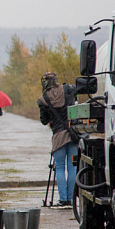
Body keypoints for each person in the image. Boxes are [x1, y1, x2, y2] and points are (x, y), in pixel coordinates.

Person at [38, 71, 80, 208]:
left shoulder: (43, 99)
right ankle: (72, 199)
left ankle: (63, 199)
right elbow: (78, 90)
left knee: (60, 168)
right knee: (73, 168)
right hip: (72, 134)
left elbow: (44, 121)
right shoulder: (68, 89)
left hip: (57, 137)